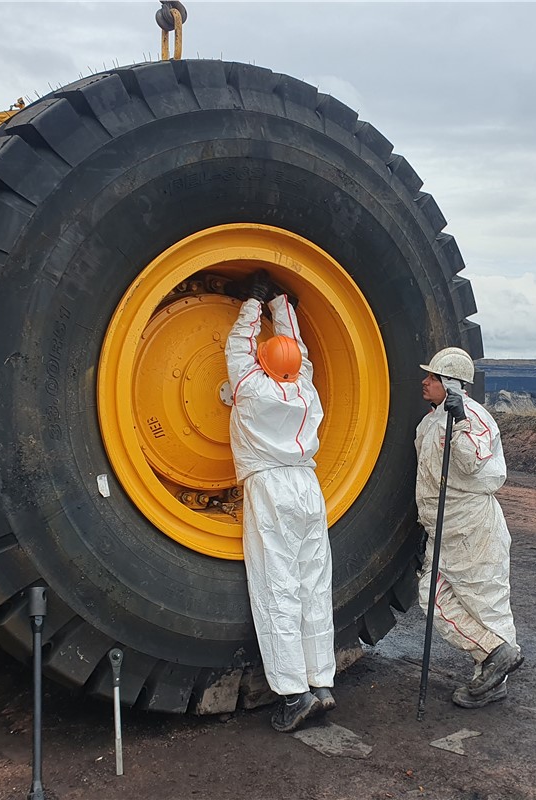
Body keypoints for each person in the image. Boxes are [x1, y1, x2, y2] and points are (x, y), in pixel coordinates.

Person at [225, 271, 335, 733]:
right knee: (314, 584)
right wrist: (283, 305)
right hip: (308, 487)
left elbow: (237, 345)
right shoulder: (306, 390)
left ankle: (294, 694)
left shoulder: (251, 388)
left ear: (263, 363)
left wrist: (254, 300)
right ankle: (322, 682)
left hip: (270, 487)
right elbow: (299, 354)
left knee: (278, 588)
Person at [414, 346, 522, 708]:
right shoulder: (432, 419)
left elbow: (472, 460)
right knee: (434, 597)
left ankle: (492, 679)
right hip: (445, 528)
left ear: (452, 384)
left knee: (486, 604)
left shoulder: (470, 417)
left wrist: (459, 420)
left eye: (432, 377)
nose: (424, 382)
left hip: (473, 529)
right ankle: (494, 654)